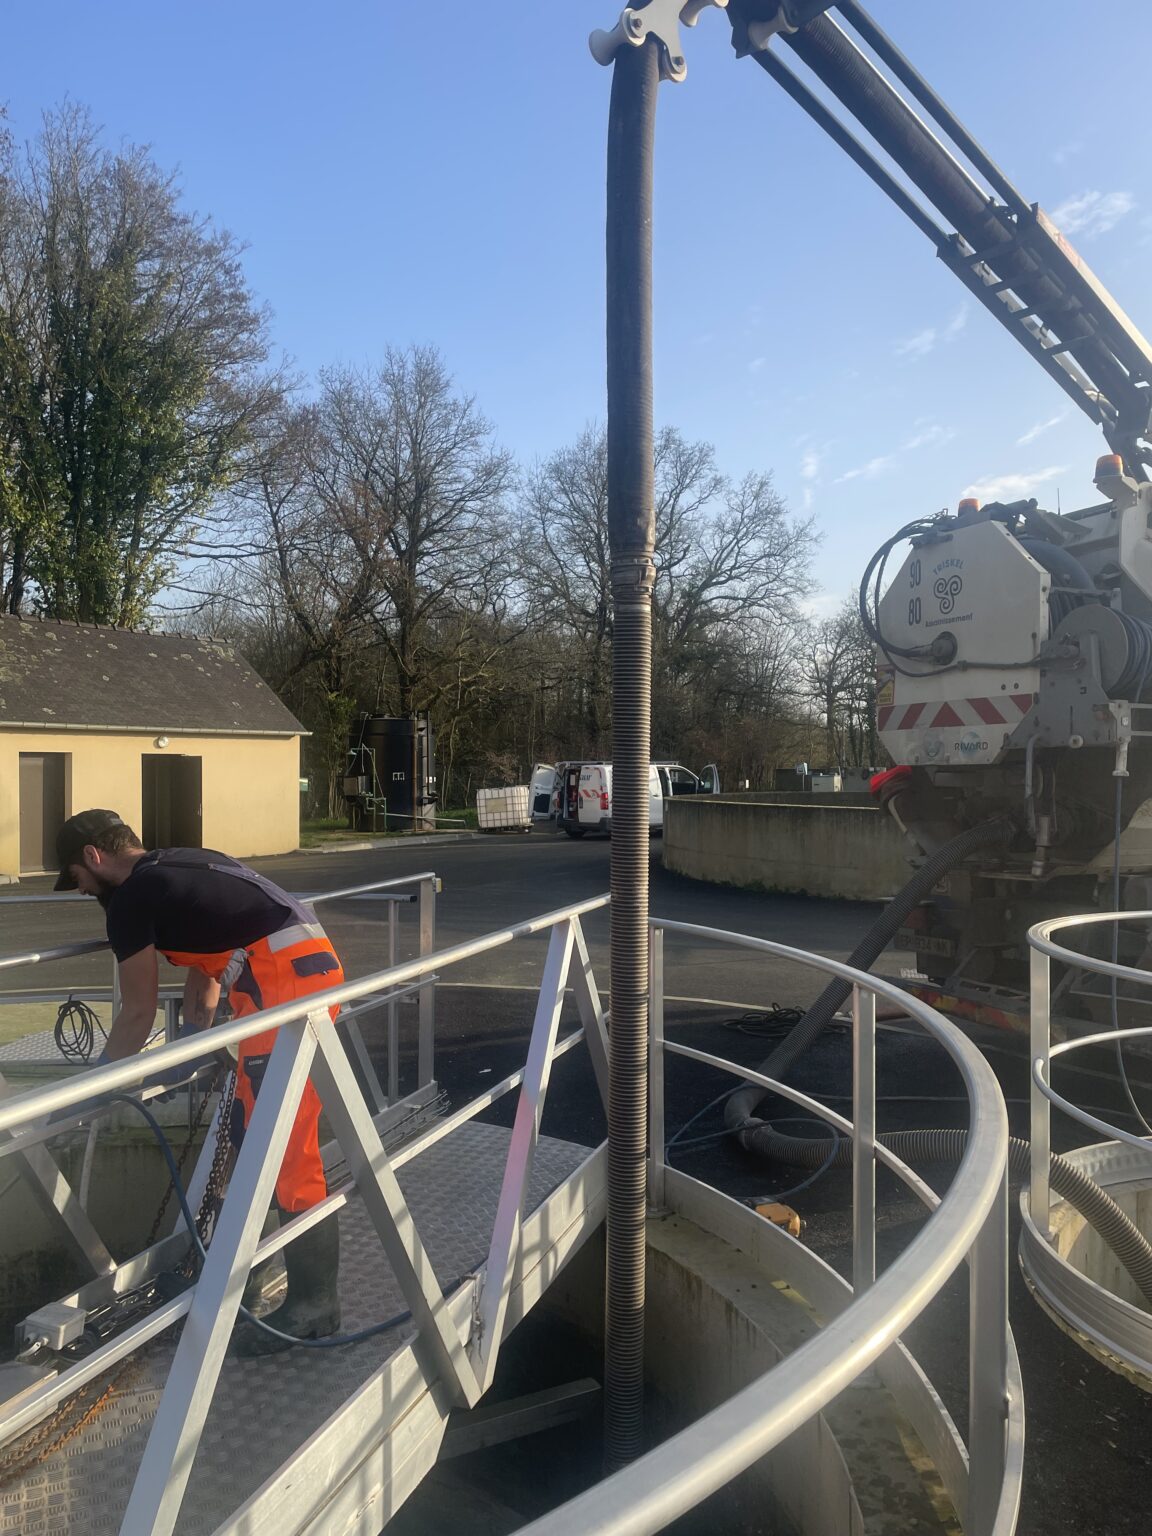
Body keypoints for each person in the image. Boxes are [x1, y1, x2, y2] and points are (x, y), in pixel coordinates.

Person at [54, 808, 344, 1355]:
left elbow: (136, 1013)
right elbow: (214, 950)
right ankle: (243, 1285)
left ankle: (315, 1304)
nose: (80, 888)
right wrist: (196, 1033)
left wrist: (91, 1090)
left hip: (282, 991)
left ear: (93, 857)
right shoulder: (180, 866)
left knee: (278, 1148)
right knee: (244, 1131)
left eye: (76, 876)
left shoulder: (134, 900)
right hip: (295, 974)